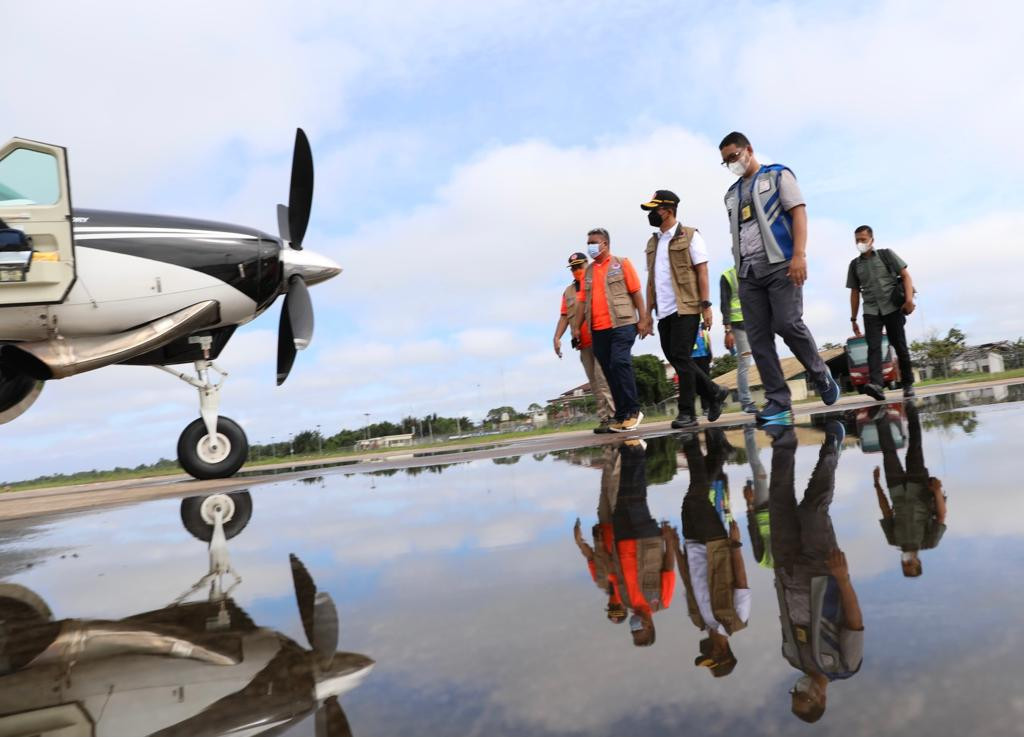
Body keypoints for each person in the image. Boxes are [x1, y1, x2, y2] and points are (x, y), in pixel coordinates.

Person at [718, 132, 841, 424]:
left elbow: (798, 214)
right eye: (725, 162)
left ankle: (820, 373)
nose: (731, 163)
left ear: (748, 149)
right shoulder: (731, 194)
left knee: (787, 323)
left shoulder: (777, 176)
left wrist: (799, 255)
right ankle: (778, 401)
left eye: (733, 156)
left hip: (781, 264)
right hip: (748, 273)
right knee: (759, 339)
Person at [766, 420, 863, 723]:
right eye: (803, 696)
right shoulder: (844, 665)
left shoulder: (792, 658)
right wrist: (843, 578)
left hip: (788, 571)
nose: (798, 691)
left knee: (778, 502)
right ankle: (832, 446)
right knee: (812, 509)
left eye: (794, 695)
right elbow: (854, 623)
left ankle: (783, 438)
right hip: (823, 573)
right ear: (821, 699)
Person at [640, 191, 728, 431]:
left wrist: (706, 305)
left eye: (654, 209)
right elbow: (651, 281)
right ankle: (714, 392)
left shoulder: (690, 236)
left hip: (687, 307)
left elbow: (702, 271)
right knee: (678, 359)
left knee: (681, 357)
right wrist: (647, 314)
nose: (650, 214)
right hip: (663, 311)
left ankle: (687, 413)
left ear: (667, 210)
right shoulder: (653, 242)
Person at [670, 429, 750, 678]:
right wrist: (735, 544)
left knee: (691, 500)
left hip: (692, 544)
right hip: (717, 546)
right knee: (695, 497)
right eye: (710, 657)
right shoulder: (737, 620)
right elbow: (741, 582)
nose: (705, 653)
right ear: (722, 653)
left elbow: (688, 581)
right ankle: (691, 440)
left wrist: (673, 545)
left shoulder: (700, 621)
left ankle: (718, 454)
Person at [573, 228, 651, 432]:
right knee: (609, 372)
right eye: (588, 242)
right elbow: (582, 303)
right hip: (598, 330)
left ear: (605, 244)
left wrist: (643, 319)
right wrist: (576, 328)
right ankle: (621, 414)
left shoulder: (621, 263)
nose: (590, 246)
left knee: (620, 362)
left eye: (593, 242)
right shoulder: (588, 272)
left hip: (622, 324)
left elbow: (636, 293)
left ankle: (634, 411)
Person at [608, 438, 675, 646]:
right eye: (640, 630)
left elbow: (616, 574)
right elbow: (668, 568)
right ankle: (636, 450)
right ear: (650, 626)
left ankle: (628, 453)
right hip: (648, 541)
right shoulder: (661, 602)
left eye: (633, 632)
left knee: (623, 497)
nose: (634, 627)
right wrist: (669, 540)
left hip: (622, 540)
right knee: (637, 497)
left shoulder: (626, 601)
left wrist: (609, 547)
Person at [872, 403, 947, 576]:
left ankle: (881, 418)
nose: (907, 562)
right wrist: (936, 491)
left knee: (888, 453)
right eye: (911, 564)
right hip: (919, 488)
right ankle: (912, 412)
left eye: (904, 566)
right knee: (914, 448)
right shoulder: (929, 542)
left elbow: (886, 512)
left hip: (896, 490)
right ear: (918, 561)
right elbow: (941, 516)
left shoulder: (893, 540)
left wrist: (876, 485)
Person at [847, 225, 917, 400]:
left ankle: (908, 384)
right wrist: (853, 318)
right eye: (857, 240)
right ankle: (877, 385)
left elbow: (906, 276)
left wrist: (909, 300)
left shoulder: (887, 255)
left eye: (863, 239)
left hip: (892, 307)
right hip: (871, 310)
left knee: (899, 346)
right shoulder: (854, 265)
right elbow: (855, 292)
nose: (860, 243)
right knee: (873, 347)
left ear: (872, 240)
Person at [554, 251, 616, 433]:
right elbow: (564, 317)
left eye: (579, 266)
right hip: (584, 345)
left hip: (601, 339)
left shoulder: (596, 283)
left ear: (587, 265)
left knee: (602, 378)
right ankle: (604, 418)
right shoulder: (568, 292)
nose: (576, 271)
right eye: (573, 268)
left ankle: (614, 416)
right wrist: (557, 337)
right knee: (594, 383)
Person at [574, 446, 627, 623]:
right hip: (621, 526)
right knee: (615, 486)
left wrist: (579, 542)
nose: (613, 605)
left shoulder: (600, 581)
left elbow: (590, 558)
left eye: (611, 607)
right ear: (623, 607)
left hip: (603, 527)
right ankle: (619, 449)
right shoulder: (628, 585)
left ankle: (609, 449)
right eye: (616, 608)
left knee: (606, 486)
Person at [721, 265, 757, 414]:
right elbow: (725, 305)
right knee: (745, 364)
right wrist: (728, 331)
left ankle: (773, 398)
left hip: (756, 322)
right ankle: (746, 402)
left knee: (765, 360)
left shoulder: (754, 270)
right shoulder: (728, 276)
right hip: (739, 325)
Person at [691, 321, 714, 415]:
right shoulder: (687, 323)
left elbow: (707, 337)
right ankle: (691, 411)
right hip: (692, 356)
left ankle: (706, 407)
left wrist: (710, 351)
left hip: (704, 354)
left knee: (705, 382)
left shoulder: (702, 323)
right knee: (692, 384)